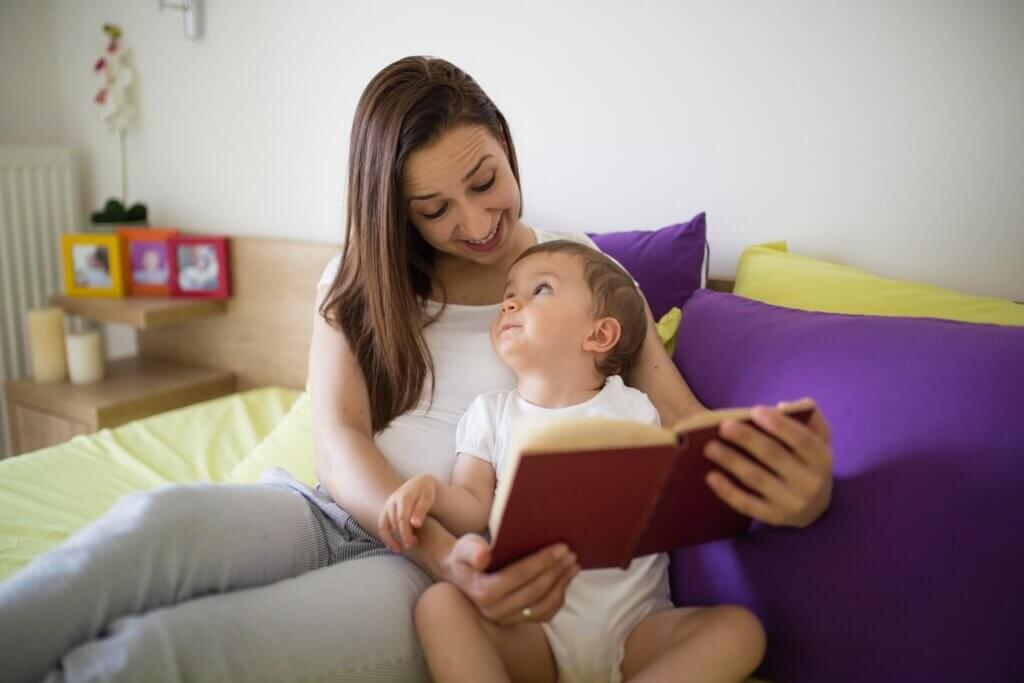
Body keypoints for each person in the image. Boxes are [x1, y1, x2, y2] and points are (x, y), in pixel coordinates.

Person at [0, 57, 833, 682]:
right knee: (148, 529)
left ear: (507, 145)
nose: (476, 224)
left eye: (485, 182)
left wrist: (804, 490)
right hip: (330, 513)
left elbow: (681, 423)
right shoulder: (359, 279)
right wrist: (434, 544)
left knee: (170, 651)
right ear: (393, 211)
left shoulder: (574, 275)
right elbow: (338, 438)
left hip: (431, 575)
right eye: (433, 210)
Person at [381, 239, 767, 682]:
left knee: (741, 630)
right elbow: (470, 506)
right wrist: (428, 491)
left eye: (539, 290)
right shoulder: (490, 413)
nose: (509, 302)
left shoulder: (635, 408)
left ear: (599, 334)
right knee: (438, 605)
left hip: (636, 626)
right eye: (508, 293)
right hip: (534, 631)